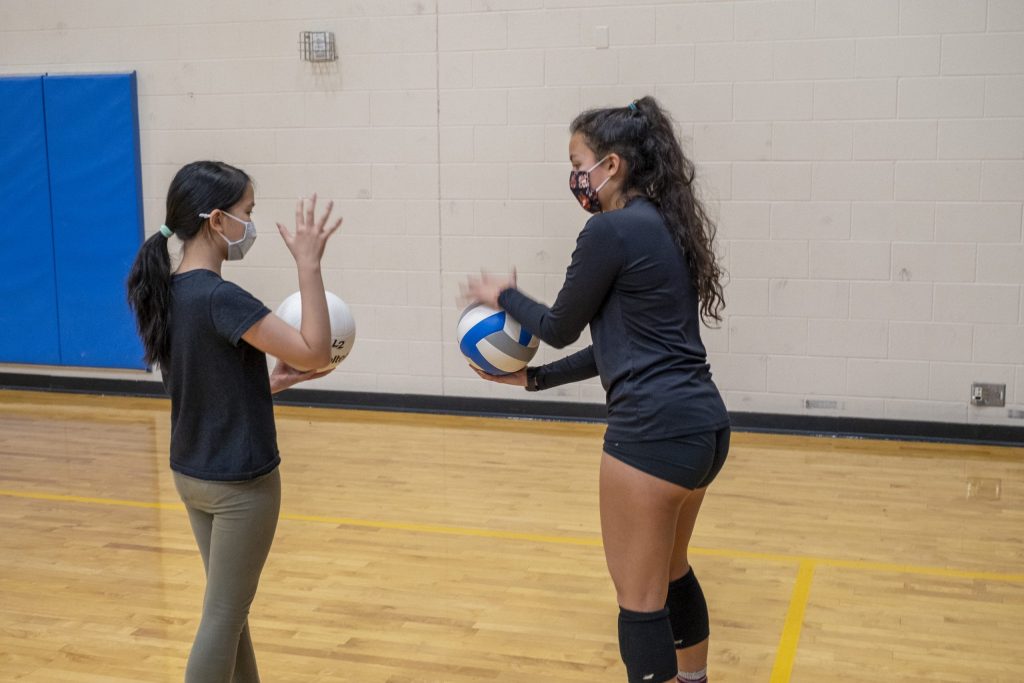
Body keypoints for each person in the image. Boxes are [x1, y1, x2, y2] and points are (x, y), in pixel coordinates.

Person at [462, 97, 729, 683]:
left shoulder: (607, 230)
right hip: (703, 429)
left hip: (652, 434)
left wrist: (502, 295)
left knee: (640, 601)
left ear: (612, 165)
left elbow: (556, 327)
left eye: (577, 162)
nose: (574, 177)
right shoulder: (666, 225)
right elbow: (616, 347)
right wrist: (534, 378)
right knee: (673, 571)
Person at [126, 160, 341, 682]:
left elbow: (196, 383)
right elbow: (315, 350)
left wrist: (262, 384)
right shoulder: (221, 298)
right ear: (217, 221)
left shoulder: (167, 291)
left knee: (231, 613)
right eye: (247, 213)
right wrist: (309, 265)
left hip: (192, 475)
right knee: (223, 617)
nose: (252, 225)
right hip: (239, 483)